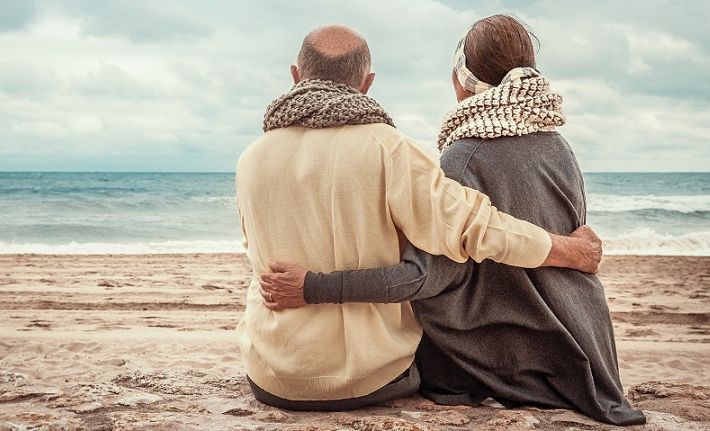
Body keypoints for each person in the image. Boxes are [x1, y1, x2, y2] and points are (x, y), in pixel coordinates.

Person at [258, 16, 646, 425]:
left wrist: (314, 287)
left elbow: (422, 278)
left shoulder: (464, 156)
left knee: (417, 310)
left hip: (522, 351)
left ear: (462, 78)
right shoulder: (558, 144)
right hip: (584, 342)